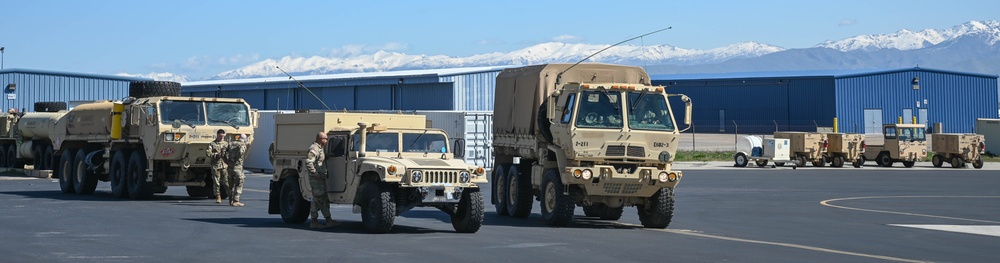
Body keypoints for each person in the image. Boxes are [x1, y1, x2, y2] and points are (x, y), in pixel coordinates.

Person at [306, 131, 338, 228]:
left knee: (323, 199)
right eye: (325, 139)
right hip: (316, 179)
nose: (327, 141)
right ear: (320, 139)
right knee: (317, 199)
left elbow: (320, 159)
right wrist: (315, 173)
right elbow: (308, 162)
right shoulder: (314, 148)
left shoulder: (320, 148)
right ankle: (314, 222)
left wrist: (328, 155)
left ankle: (328, 220)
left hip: (320, 178)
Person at [206, 129, 230, 204]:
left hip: (224, 166)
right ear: (217, 135)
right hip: (216, 166)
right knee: (217, 182)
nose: (221, 138)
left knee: (226, 182)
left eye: (223, 136)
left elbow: (229, 153)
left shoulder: (226, 144)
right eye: (220, 136)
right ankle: (218, 196)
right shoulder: (212, 144)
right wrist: (216, 155)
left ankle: (231, 196)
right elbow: (208, 153)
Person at [226, 133, 248, 207]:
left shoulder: (231, 143)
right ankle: (236, 200)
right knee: (239, 183)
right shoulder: (242, 145)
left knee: (230, 184)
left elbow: (223, 152)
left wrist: (227, 161)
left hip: (230, 167)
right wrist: (237, 159)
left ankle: (230, 200)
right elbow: (241, 153)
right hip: (238, 167)